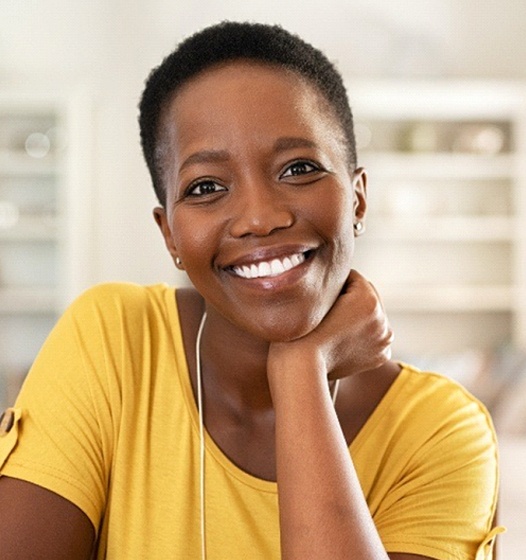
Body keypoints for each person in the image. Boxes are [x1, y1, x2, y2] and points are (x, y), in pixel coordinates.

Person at [0, 21, 503, 560]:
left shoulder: (442, 432)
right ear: (169, 232)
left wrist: (299, 370)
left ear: (357, 199)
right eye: (206, 187)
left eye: (300, 168)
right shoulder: (113, 340)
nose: (260, 218)